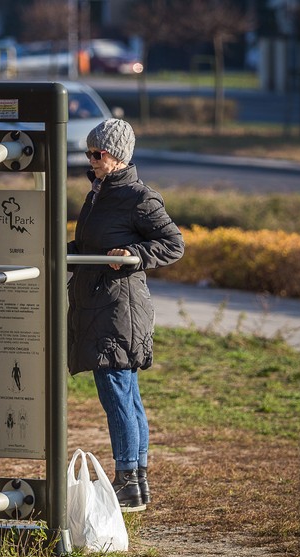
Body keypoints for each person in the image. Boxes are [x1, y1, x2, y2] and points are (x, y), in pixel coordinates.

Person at [66, 118, 184, 510]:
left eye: (96, 153)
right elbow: (91, 244)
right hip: (102, 305)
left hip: (118, 310)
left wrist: (135, 256)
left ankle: (127, 480)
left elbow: (173, 244)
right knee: (127, 396)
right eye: (88, 152)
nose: (91, 159)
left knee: (117, 396)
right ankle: (138, 482)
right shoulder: (98, 193)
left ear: (116, 156)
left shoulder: (137, 197)